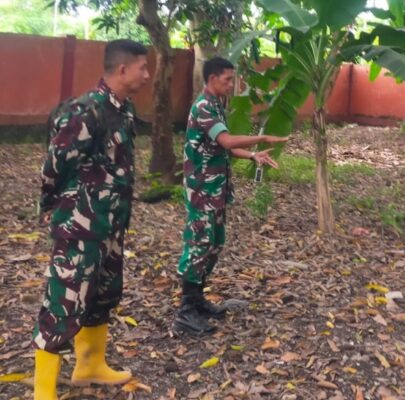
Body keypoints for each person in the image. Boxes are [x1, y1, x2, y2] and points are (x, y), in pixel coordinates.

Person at [33, 39, 150, 399]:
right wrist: (59, 207)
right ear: (122, 70)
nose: (147, 75)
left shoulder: (124, 110)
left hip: (111, 223)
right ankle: (43, 391)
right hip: (80, 225)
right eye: (143, 68)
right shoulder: (85, 111)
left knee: (103, 294)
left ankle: (89, 366)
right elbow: (55, 165)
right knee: (64, 302)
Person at [173, 56, 287, 335]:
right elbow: (226, 140)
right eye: (227, 79)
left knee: (214, 243)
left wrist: (252, 155)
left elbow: (223, 147)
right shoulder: (203, 107)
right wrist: (261, 138)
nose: (232, 84)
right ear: (212, 79)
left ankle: (197, 301)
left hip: (216, 189)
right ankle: (185, 312)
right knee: (199, 244)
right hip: (202, 189)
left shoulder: (216, 105)